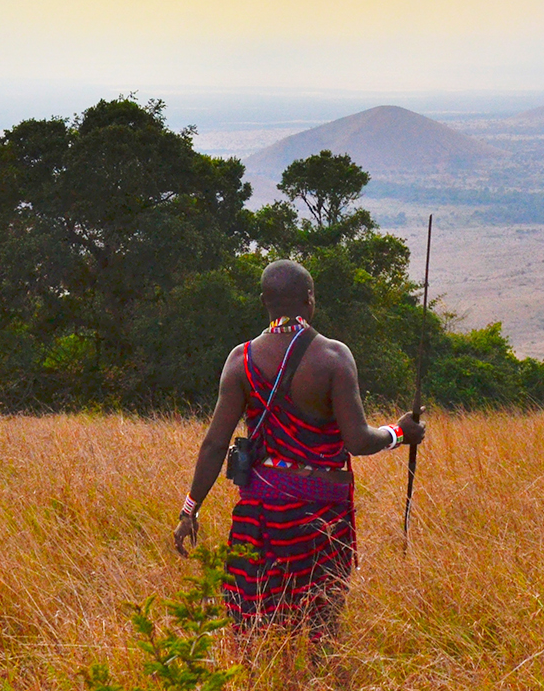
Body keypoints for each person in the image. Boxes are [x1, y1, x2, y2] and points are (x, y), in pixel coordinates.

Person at [173, 258, 426, 646]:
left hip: (262, 508)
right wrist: (398, 432)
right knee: (322, 621)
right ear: (310, 299)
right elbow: (357, 441)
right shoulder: (334, 357)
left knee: (254, 621)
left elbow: (213, 444)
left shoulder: (239, 360)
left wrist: (190, 510)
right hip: (323, 513)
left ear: (264, 301)